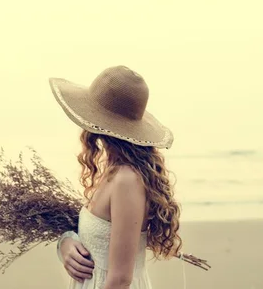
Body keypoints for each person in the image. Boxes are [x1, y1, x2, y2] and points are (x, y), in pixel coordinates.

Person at [48, 65, 182, 289]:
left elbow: (120, 280)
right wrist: (66, 242)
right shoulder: (114, 170)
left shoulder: (127, 180)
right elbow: (99, 238)